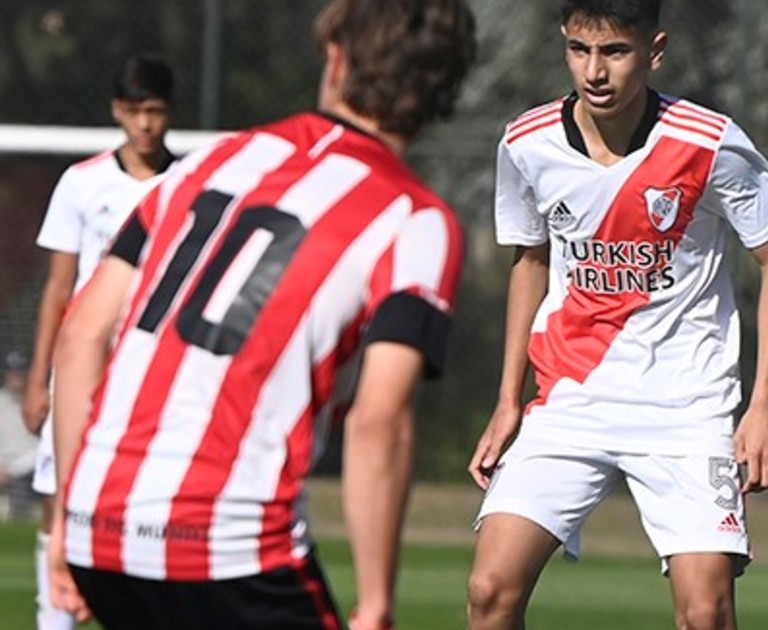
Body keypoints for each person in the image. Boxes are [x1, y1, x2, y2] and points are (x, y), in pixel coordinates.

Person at [46, 1, 476, 628]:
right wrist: (377, 601)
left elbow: (82, 335)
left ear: (336, 59)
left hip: (98, 523)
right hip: (230, 543)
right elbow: (378, 421)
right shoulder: (415, 219)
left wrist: (68, 515)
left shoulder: (204, 164)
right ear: (444, 89)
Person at [466, 2, 768, 628]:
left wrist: (766, 405)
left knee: (705, 612)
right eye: (579, 50)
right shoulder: (526, 143)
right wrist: (508, 399)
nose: (594, 71)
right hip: (571, 400)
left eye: (615, 52)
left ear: (655, 51)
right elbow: (530, 260)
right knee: (490, 590)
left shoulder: (709, 142)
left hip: (687, 406)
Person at [24, 52, 177, 630]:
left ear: (169, 112)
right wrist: (39, 379)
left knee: (152, 509)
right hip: (81, 372)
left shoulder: (190, 184)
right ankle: (55, 619)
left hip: (152, 373)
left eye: (154, 111)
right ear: (117, 110)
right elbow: (58, 287)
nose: (145, 124)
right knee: (57, 499)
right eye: (135, 111)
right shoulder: (82, 183)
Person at [0, 351, 39, 522]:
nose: (17, 377)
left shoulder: (38, 400)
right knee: (20, 513)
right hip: (12, 468)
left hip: (37, 463)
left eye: (20, 372)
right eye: (13, 372)